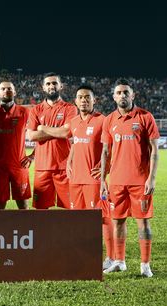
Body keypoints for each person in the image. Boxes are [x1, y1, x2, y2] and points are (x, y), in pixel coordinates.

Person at [101, 79, 159, 277]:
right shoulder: (109, 120)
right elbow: (105, 152)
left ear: (132, 95)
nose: (122, 95)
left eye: (126, 92)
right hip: (116, 182)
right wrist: (102, 180)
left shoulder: (145, 117)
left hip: (140, 181)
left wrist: (151, 178)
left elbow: (154, 151)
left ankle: (145, 265)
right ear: (114, 97)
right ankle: (119, 261)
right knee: (117, 221)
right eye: (119, 92)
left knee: (143, 223)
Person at [66, 85, 114, 270]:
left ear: (95, 100)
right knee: (79, 220)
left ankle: (110, 258)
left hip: (94, 181)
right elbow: (75, 143)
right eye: (80, 97)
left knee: (101, 219)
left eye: (88, 97)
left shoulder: (103, 120)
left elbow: (111, 148)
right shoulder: (74, 121)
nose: (84, 100)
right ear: (76, 101)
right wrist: (69, 160)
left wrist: (106, 168)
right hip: (75, 180)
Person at [26, 72, 77, 209]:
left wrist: (42, 128)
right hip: (42, 167)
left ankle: (67, 232)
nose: (51, 86)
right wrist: (57, 131)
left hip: (64, 167)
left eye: (54, 83)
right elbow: (31, 136)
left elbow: (67, 132)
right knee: (41, 211)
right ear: (43, 87)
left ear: (61, 86)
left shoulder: (70, 108)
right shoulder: (35, 110)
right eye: (48, 83)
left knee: (70, 209)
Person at [0, 81, 33, 209]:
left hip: (19, 165)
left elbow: (41, 132)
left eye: (9, 88)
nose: (6, 91)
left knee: (23, 206)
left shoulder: (25, 112)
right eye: (3, 89)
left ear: (14, 92)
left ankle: (26, 229)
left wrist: (32, 156)